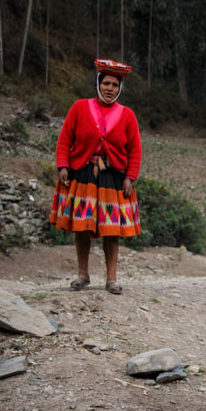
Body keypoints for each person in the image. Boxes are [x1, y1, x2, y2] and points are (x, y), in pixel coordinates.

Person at [50, 58, 142, 295]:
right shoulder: (79, 108)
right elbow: (64, 139)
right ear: (98, 84)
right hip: (83, 175)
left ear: (120, 88)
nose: (109, 88)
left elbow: (135, 149)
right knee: (82, 226)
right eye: (106, 83)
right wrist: (63, 166)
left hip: (112, 178)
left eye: (114, 85)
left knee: (111, 229)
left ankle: (111, 279)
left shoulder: (127, 115)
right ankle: (83, 275)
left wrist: (130, 177)